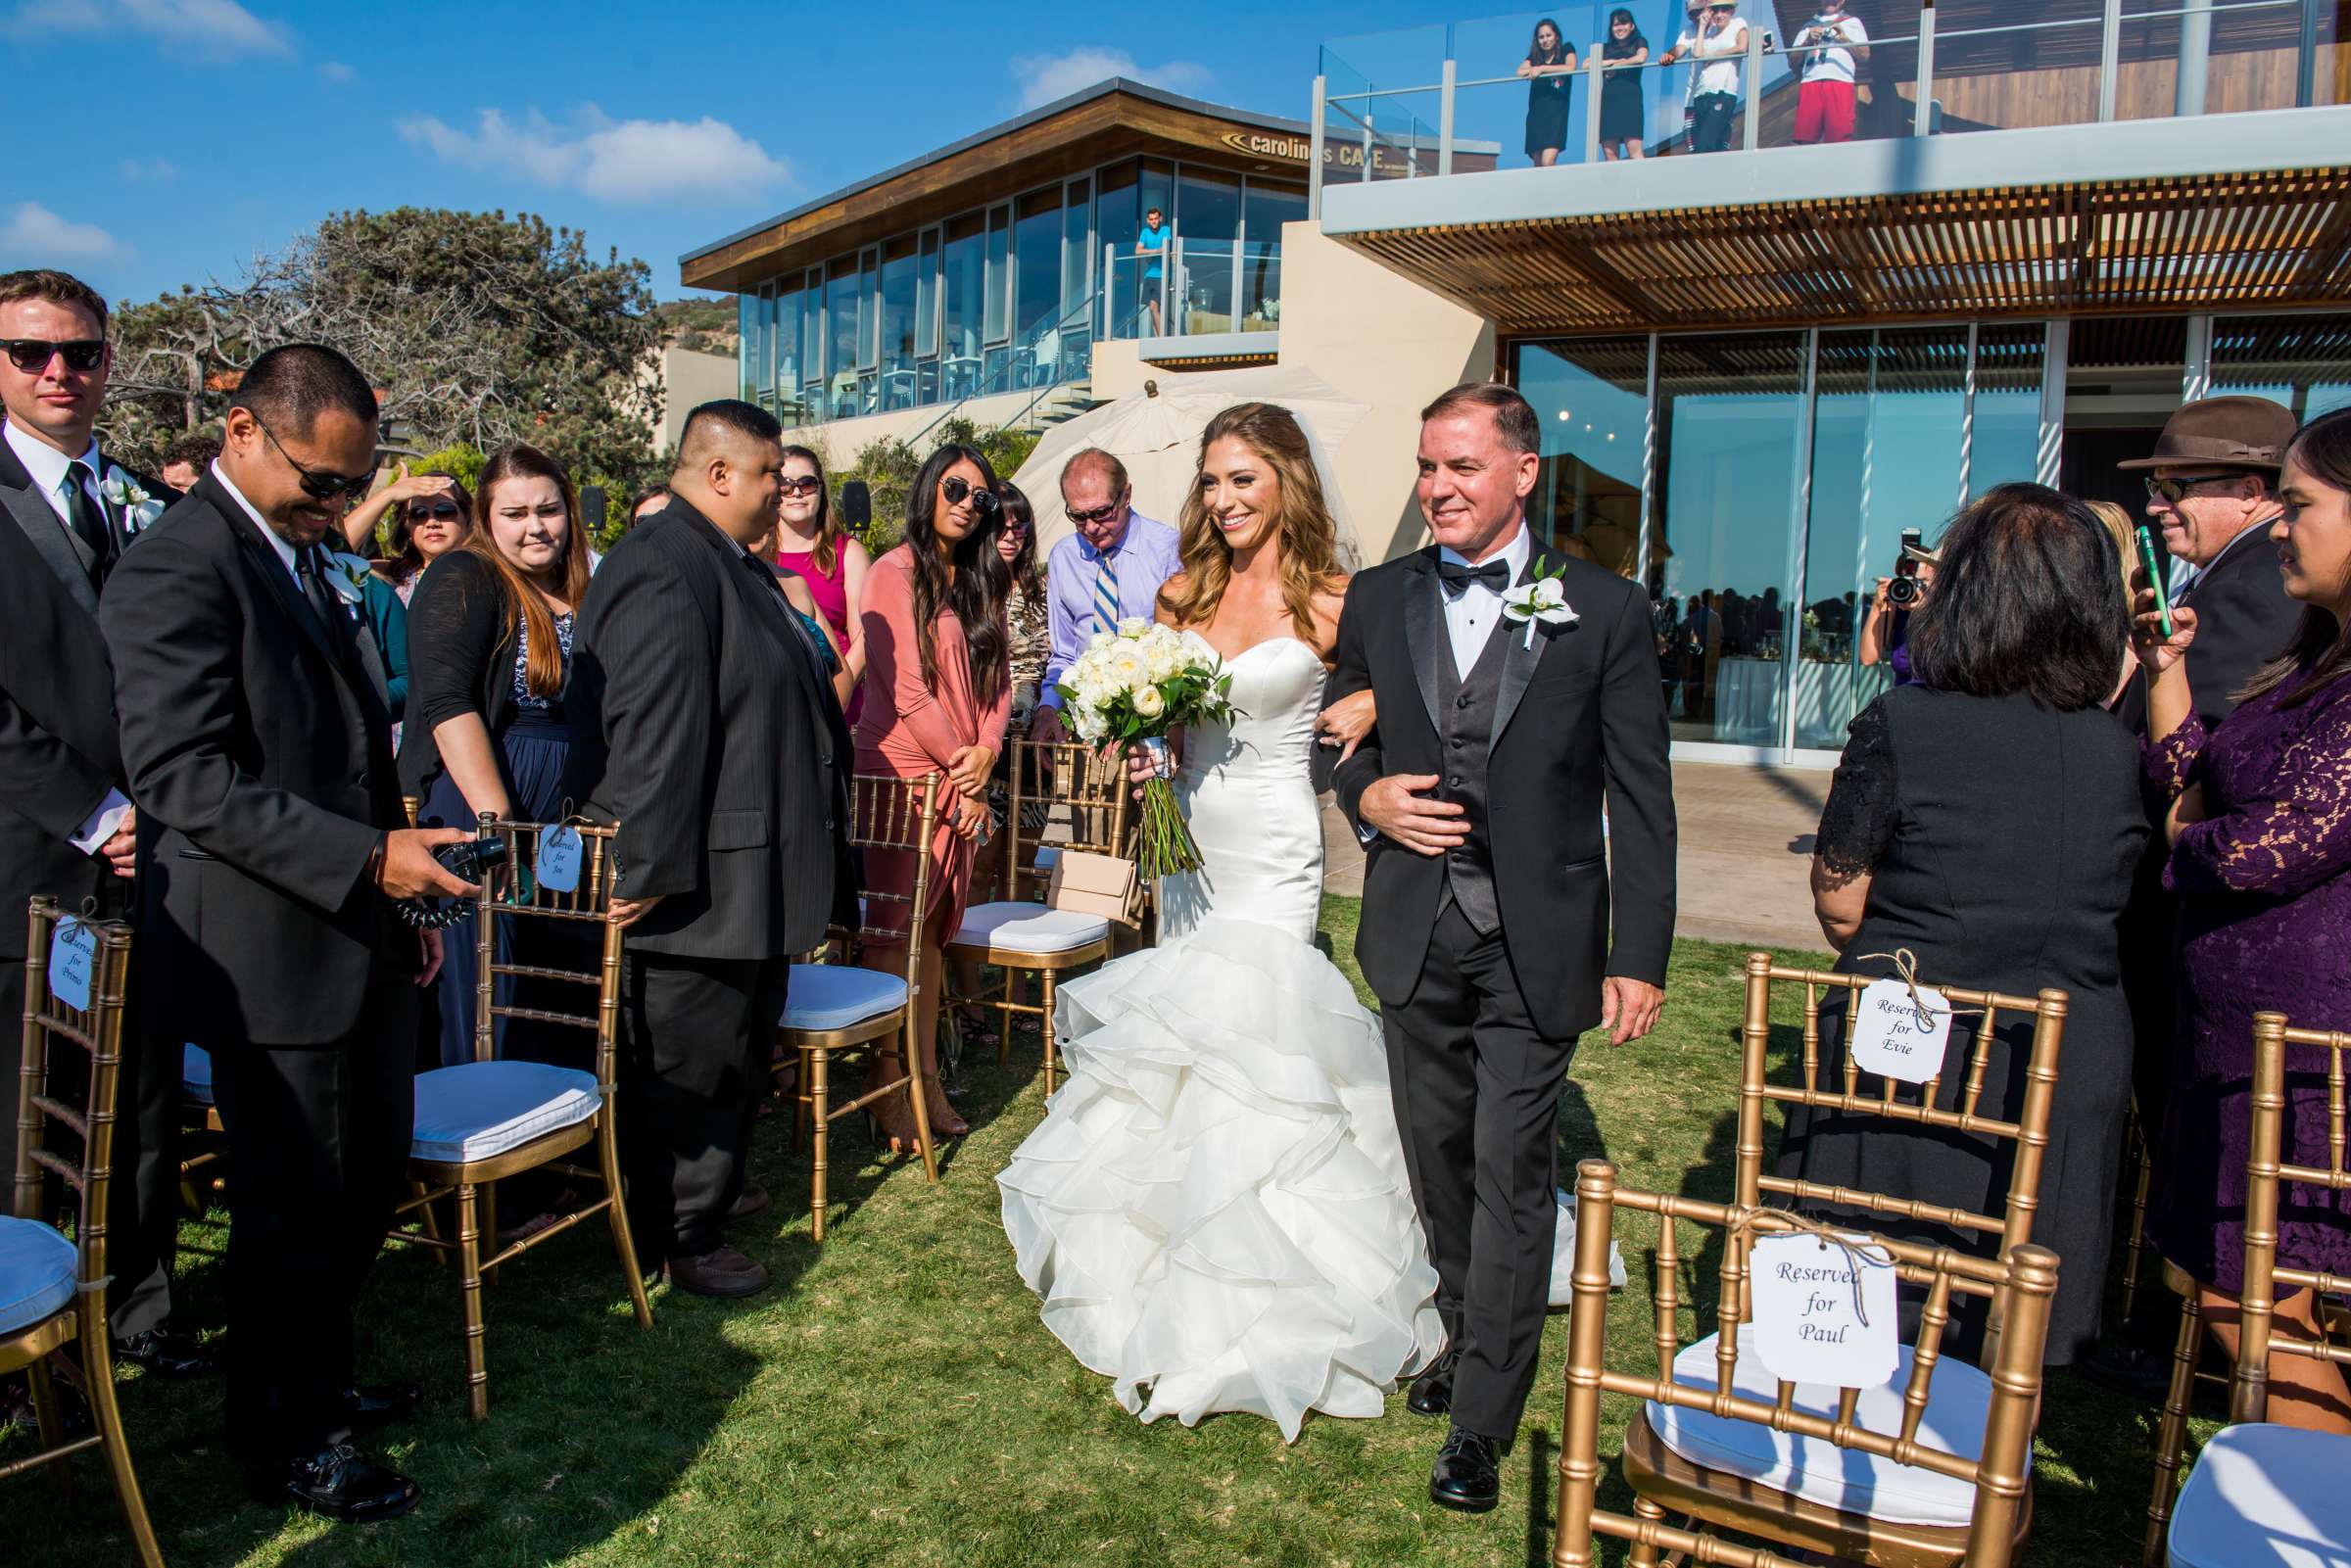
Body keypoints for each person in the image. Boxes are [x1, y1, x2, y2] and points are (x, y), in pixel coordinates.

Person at [999, 401, 1444, 1441]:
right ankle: (1167, 1265)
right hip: (1188, 845)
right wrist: (1134, 736)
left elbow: (1417, 699)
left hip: (1277, 850)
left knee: (1259, 1038)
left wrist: (1372, 707)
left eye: (1243, 477)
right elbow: (1148, 707)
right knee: (1188, 1041)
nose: (1225, 499)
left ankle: (1275, 1282)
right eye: (1210, 480)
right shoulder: (1181, 589)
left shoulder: (1339, 600)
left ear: (1287, 477)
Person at [103, 343, 476, 1521]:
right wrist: (367, 858)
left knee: (363, 1178)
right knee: (292, 1199)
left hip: (357, 923)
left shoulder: (298, 553)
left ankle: (312, 1376)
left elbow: (350, 750)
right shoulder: (178, 564)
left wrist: (394, 885)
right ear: (244, 434)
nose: (337, 505)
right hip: (267, 948)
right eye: (322, 482)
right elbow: (179, 775)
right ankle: (289, 1436)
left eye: (348, 484)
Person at [1329, 382, 1675, 1512]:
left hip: (1539, 936)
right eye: (1428, 467)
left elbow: (1643, 797)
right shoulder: (1380, 597)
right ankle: (1469, 1329)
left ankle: (1482, 1415)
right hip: (1414, 924)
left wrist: (1642, 951)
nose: (1437, 488)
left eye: (1461, 468)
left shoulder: (1609, 609)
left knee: (1515, 1170)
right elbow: (1342, 731)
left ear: (1523, 472)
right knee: (1440, 1162)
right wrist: (1366, 795)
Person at [1783, 485, 2146, 1368]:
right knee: (2007, 1337)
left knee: (1884, 1307)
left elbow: (1839, 900)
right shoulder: (2116, 748)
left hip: (1920, 1063)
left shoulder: (1905, 721)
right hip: (2065, 1068)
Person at [567, 400, 849, 1300]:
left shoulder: (732, 563)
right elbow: (652, 731)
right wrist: (641, 866)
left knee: (732, 1046)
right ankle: (677, 1230)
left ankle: (710, 1194)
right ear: (719, 472)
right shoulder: (664, 561)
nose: (782, 492)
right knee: (690, 1058)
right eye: (771, 475)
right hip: (693, 880)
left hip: (746, 867)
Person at [0, 268, 201, 1406]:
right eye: (30, 352)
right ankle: (29, 1349)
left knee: (139, 1097)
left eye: (78, 351)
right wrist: (93, 808)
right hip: (32, 857)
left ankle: (138, 1305)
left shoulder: (130, 496)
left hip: (153, 861)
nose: (58, 372)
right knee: (23, 1106)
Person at [2130, 405, 2351, 1434]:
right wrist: (2165, 667)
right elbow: (2196, 767)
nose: (2284, 529)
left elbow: (2292, 836)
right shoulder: (2311, 654)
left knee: (2265, 1286)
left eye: (2302, 506)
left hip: (2303, 1036)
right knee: (2239, 1281)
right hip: (2237, 1031)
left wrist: (2188, 838)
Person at [2111, 400, 2302, 1206]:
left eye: (2175, 485)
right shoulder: (2234, 571)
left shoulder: (2264, 582)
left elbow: (2209, 755)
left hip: (2192, 904)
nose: (2157, 505)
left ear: (2252, 489)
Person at [399, 444, 595, 1070]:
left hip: (563, 816)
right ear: (487, 517)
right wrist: (496, 823)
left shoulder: (584, 585)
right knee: (489, 992)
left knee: (558, 989)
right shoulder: (464, 574)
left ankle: (558, 1144)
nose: (536, 526)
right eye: (515, 513)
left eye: (548, 509)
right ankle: (484, 1155)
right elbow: (447, 703)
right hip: (484, 807)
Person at [855, 445, 1011, 1146]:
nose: (966, 503)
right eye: (955, 487)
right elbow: (906, 688)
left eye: (981, 497)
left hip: (959, 770)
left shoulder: (981, 577)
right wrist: (960, 764)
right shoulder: (893, 572)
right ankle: (889, 1084)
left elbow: (1000, 684)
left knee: (931, 934)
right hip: (904, 772)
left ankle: (923, 1077)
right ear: (928, 489)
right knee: (898, 935)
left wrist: (987, 754)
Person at [954, 479, 1051, 1046]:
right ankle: (968, 1005)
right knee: (979, 868)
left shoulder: (1037, 585)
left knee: (1021, 870)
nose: (1012, 533)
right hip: (983, 747)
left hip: (1031, 749)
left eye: (1021, 524)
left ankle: (1016, 998)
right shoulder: (967, 587)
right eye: (1002, 523)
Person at [1032, 449, 1181, 743]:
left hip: (1155, 729)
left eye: (1101, 513)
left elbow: (1180, 649)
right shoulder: (1063, 557)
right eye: (1078, 516)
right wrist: (1049, 707)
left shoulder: (1168, 549)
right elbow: (1064, 653)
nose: (1090, 527)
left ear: (1126, 495)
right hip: (1083, 731)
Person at [771, 444, 869, 725]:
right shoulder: (754, 553)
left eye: (807, 483)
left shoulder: (848, 552)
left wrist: (837, 693)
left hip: (838, 696)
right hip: (779, 698)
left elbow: (863, 638)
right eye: (785, 486)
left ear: (821, 488)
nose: (797, 492)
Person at [352, 462, 472, 605]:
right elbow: (333, 554)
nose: (432, 522)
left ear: (468, 518)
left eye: (445, 511)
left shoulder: (490, 574)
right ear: (407, 526)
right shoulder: (391, 575)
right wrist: (388, 495)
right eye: (419, 514)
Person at [1660, 0, 1750, 154]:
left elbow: (1744, 44)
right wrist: (1669, 56)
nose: (1697, 16)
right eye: (1692, 13)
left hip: (1720, 93)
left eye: (1700, 10)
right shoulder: (1693, 31)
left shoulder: (1722, 24)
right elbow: (1681, 49)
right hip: (1695, 96)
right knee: (1694, 146)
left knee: (1710, 143)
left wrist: (1714, 55)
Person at [1856, 539, 1937, 685]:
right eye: (1909, 581)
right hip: (1904, 700)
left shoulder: (1946, 611)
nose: (1914, 587)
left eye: (1922, 581)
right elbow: (1868, 657)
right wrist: (1877, 605)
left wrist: (1924, 610)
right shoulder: (1896, 607)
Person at [1792, 0, 1869, 145]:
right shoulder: (1807, 27)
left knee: (1839, 134)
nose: (1830, 2)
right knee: (1804, 136)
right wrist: (1807, 41)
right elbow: (1793, 60)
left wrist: (1844, 38)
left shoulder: (1853, 22)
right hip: (1810, 82)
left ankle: (1837, 166)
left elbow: (1865, 54)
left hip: (1840, 81)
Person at [1518, 18, 1577, 166]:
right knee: (1537, 163)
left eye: (1548, 35)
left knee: (1548, 161)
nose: (1545, 40)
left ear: (1556, 36)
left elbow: (1570, 67)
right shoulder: (1535, 57)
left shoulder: (1566, 49)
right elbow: (1519, 72)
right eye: (1541, 37)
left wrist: (1543, 69)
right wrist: (1533, 69)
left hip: (1556, 113)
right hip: (1537, 113)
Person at [1598, 9, 1651, 161]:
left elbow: (1641, 58)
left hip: (1630, 99)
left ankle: (1643, 184)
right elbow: (1587, 64)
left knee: (1634, 149)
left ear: (1632, 26)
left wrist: (1620, 64)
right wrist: (1611, 62)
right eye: (1615, 25)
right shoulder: (1605, 48)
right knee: (1610, 154)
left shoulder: (1639, 42)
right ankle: (1614, 184)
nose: (1619, 28)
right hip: (1609, 101)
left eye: (1623, 23)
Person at [1137, 206, 1170, 335]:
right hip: (1149, 275)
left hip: (1161, 275)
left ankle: (1162, 338)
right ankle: (1156, 338)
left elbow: (1165, 248)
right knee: (1152, 309)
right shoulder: (1145, 232)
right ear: (1147, 220)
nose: (1154, 221)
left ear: (1160, 218)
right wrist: (1154, 252)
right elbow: (1137, 250)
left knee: (1154, 307)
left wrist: (1150, 254)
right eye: (1151, 219)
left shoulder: (1165, 230)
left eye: (1156, 218)